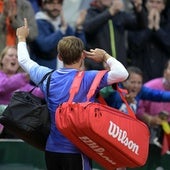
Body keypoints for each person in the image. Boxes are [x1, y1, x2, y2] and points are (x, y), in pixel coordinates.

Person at [16, 18, 128, 170]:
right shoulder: (90, 78)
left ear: (59, 57)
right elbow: (122, 73)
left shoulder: (46, 76)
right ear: (83, 55)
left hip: (52, 150)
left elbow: (23, 60)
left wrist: (21, 38)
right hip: (77, 150)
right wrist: (105, 56)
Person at [83, 0, 145, 70]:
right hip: (98, 67)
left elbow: (140, 25)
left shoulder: (119, 15)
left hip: (118, 66)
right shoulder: (92, 12)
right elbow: (88, 28)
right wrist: (110, 12)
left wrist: (139, 9)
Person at [0, 46, 44, 138]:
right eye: (10, 55)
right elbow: (3, 86)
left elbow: (38, 92)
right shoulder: (21, 79)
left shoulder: (22, 83)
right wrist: (23, 77)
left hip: (16, 127)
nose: (14, 58)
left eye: (16, 57)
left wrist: (52, 87)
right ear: (2, 60)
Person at [29, 0, 85, 69]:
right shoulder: (38, 22)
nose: (55, 7)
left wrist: (79, 27)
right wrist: (61, 31)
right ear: (44, 5)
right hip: (44, 73)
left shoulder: (62, 23)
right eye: (51, 3)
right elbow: (44, 46)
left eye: (59, 3)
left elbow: (80, 47)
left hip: (63, 72)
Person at [136, 59, 170, 170]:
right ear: (165, 72)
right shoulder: (150, 86)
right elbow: (136, 107)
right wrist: (150, 119)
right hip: (146, 130)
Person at [128, 0, 170, 82]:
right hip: (141, 74)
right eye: (151, 2)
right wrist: (149, 28)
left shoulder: (167, 23)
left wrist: (157, 29)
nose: (154, 5)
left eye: (158, 2)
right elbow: (134, 45)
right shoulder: (135, 20)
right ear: (145, 4)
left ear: (164, 6)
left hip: (162, 75)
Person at [105, 66, 170, 114]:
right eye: (133, 82)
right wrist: (125, 101)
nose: (136, 86)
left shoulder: (140, 90)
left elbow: (160, 95)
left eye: (139, 83)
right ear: (124, 82)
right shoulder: (114, 91)